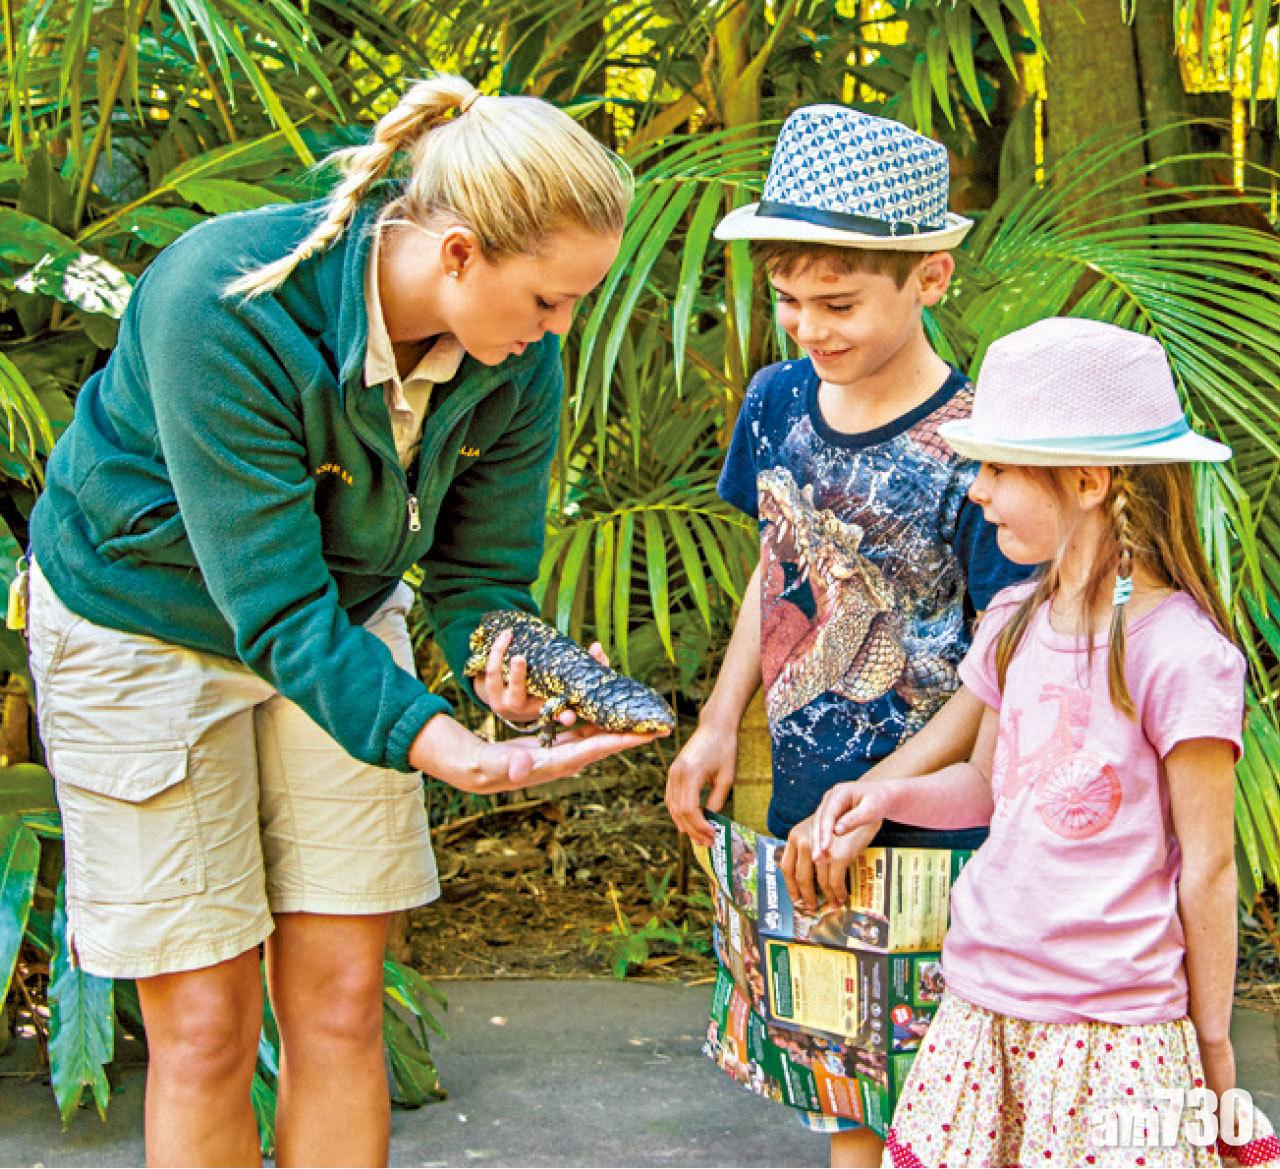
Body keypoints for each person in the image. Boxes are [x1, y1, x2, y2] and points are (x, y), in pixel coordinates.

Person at [25, 75, 661, 1168]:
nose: (560, 329)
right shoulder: (222, 303)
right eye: (548, 299)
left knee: (338, 1000)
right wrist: (445, 746)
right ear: (457, 254)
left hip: (340, 620)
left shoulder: (517, 362)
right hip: (145, 626)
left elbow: (481, 576)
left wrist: (501, 671)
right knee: (208, 1027)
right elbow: (273, 604)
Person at [813, 318, 1280, 1167]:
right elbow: (989, 788)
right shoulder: (1012, 622)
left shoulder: (1179, 654)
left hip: (1117, 1032)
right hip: (985, 1003)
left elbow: (1208, 866)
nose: (977, 490)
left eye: (997, 468)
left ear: (1090, 480)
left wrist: (1213, 1044)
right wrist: (886, 796)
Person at [664, 104, 1030, 1167]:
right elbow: (773, 574)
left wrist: (890, 790)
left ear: (929, 278)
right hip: (800, 802)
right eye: (787, 300)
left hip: (935, 814)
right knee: (840, 1085)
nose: (808, 327)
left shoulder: (975, 447)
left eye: (837, 301)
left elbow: (999, 655)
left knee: (937, 1091)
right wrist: (718, 722)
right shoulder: (775, 400)